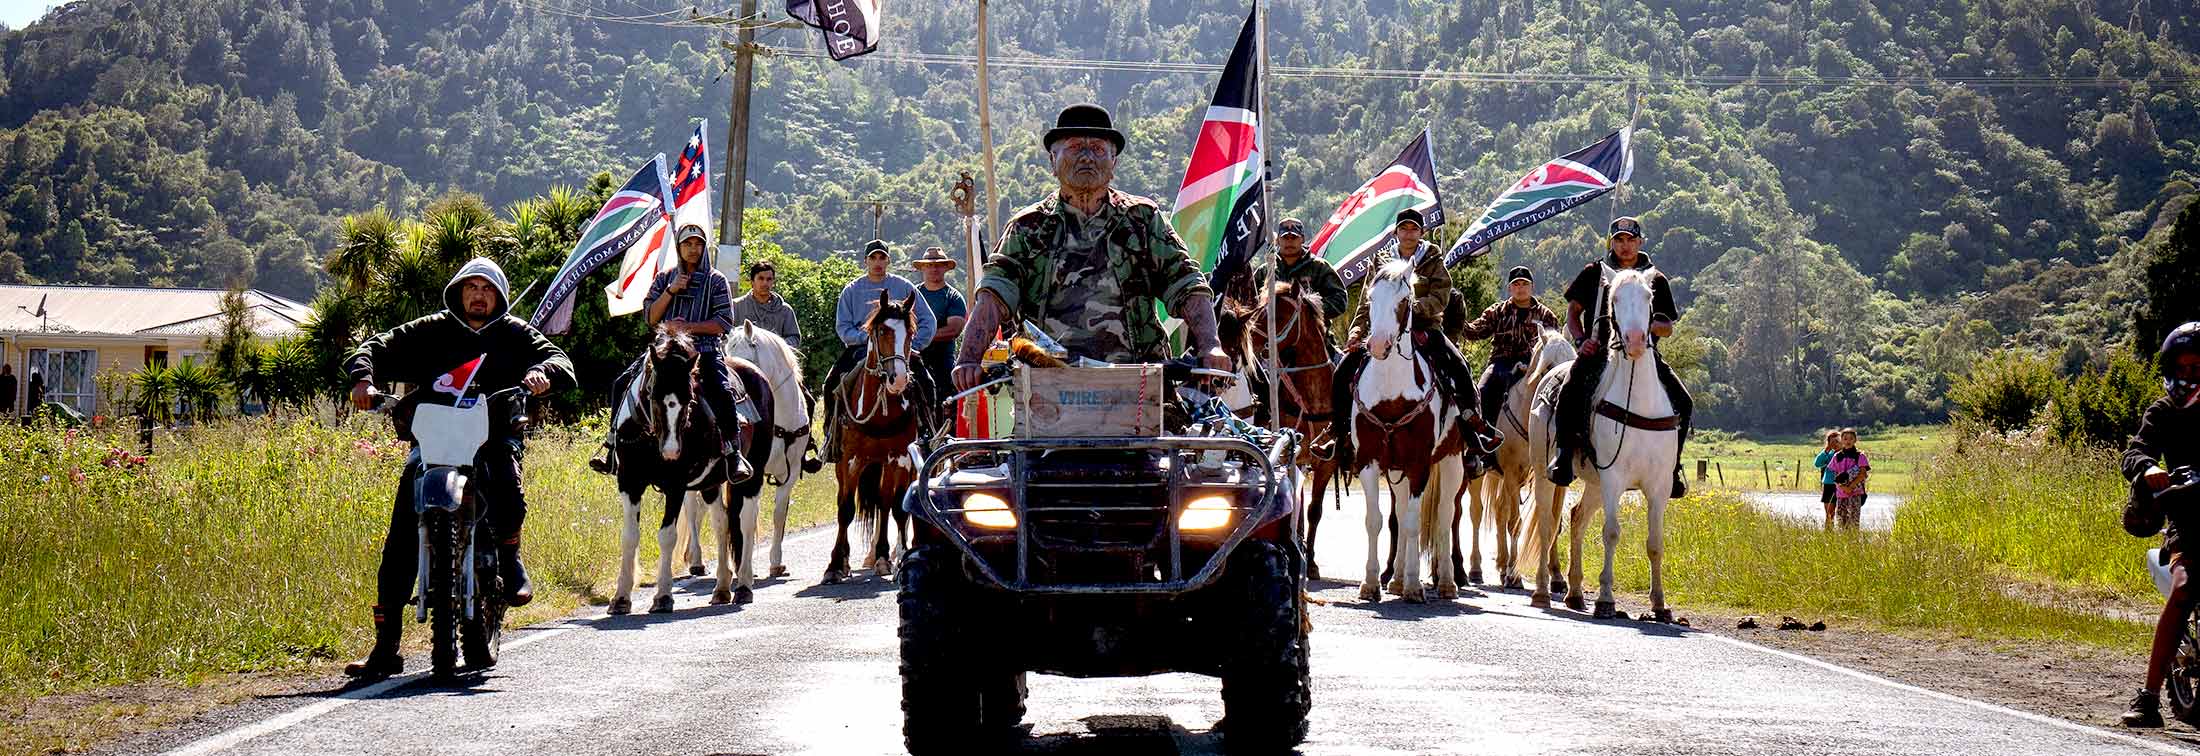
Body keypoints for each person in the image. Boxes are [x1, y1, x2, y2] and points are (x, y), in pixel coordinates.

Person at [341, 257, 575, 678]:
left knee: (506, 479)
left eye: (487, 288)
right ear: (458, 292)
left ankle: (509, 557)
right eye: (471, 287)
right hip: (434, 442)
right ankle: (386, 648)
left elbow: (559, 359)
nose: (478, 295)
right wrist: (363, 379)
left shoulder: (516, 333)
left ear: (499, 295)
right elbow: (372, 347)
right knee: (399, 539)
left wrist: (543, 372)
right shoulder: (430, 329)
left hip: (492, 437)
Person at [951, 102, 1230, 394]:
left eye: (1097, 149)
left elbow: (1185, 282)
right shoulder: (1028, 227)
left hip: (1139, 385)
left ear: (1114, 162)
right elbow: (994, 293)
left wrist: (1210, 345)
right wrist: (969, 358)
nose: (1086, 157)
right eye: (1074, 147)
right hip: (1048, 389)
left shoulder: (1142, 220)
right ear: (1052, 160)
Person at [1328, 207, 1494, 473]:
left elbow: (1442, 296)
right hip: (1383, 330)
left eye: (1413, 229)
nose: (1408, 233)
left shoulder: (1432, 260)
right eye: (1403, 229)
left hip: (1426, 328)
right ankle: (1337, 432)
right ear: (1396, 233)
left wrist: (1412, 308)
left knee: (1459, 366)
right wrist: (1357, 331)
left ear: (1421, 232)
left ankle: (1473, 429)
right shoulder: (1381, 261)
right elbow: (1366, 303)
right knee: (1344, 368)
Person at [590, 225, 758, 479]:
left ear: (704, 248)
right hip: (664, 354)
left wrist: (687, 327)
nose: (693, 249)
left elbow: (724, 321)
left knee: (722, 391)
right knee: (621, 384)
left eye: (698, 244)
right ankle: (611, 446)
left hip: (702, 352)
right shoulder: (664, 278)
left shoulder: (716, 280)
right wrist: (671, 291)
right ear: (679, 248)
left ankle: (733, 454)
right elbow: (651, 316)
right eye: (687, 244)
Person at [1547, 216, 1693, 498]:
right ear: (1611, 243)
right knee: (1569, 390)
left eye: (1630, 240)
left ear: (1640, 242)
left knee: (1684, 401)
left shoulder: (1655, 278)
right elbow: (1573, 311)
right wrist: (1580, 341)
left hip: (1643, 354)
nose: (1625, 246)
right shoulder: (1594, 272)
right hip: (1599, 350)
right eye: (1619, 240)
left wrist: (1644, 328)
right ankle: (1564, 455)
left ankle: (1672, 468)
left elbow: (1668, 326)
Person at [2120, 321, 2200, 728]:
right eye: (2184, 367)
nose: (2191, 375)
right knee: (2186, 586)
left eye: (2199, 367)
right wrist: (2149, 467)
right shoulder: (2164, 411)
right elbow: (2135, 451)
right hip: (2190, 519)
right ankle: (2150, 698)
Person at [818, 239, 937, 462]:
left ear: (888, 261)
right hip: (860, 350)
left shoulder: (904, 287)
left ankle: (928, 434)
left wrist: (912, 345)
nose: (877, 262)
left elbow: (928, 321)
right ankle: (831, 438)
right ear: (866, 261)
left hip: (899, 351)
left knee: (926, 382)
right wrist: (869, 339)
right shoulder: (851, 290)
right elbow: (843, 327)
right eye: (873, 258)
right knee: (831, 384)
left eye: (882, 257)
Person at [1457, 265, 1562, 426]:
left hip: (1534, 366)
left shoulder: (1546, 316)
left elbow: (1555, 348)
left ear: (1532, 287)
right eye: (1516, 284)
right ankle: (1480, 437)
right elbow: (1474, 332)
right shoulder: (1498, 311)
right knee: (1482, 392)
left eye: (1524, 284)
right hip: (1500, 364)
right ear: (1509, 288)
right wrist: (1457, 317)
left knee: (1557, 397)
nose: (1520, 288)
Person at [1255, 217, 1349, 326]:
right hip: (1272, 336)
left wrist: (1307, 310)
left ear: (1302, 239)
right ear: (1277, 241)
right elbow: (1248, 301)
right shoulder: (1266, 271)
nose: (1289, 241)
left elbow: (1340, 299)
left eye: (1294, 237)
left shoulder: (1319, 267)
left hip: (1313, 335)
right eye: (1285, 237)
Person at [912, 247, 968, 403]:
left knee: (949, 400)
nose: (934, 268)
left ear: (945, 268)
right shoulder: (912, 295)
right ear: (922, 267)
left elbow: (953, 330)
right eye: (929, 265)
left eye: (938, 265)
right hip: (914, 357)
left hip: (942, 361)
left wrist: (921, 337)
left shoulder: (953, 297)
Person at [732, 259, 802, 348]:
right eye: (761, 278)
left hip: (774, 360)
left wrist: (775, 345)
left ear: (773, 282)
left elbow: (794, 338)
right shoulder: (736, 306)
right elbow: (726, 336)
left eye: (769, 279)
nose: (765, 283)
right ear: (752, 281)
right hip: (742, 359)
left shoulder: (785, 310)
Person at [1825, 428, 1869, 530]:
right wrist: (1843, 487)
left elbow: (1863, 474)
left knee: (1854, 521)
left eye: (1850, 438)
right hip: (1841, 494)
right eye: (1845, 439)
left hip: (1856, 493)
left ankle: (1854, 543)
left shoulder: (1860, 456)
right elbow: (1833, 475)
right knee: (1841, 521)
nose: (1848, 441)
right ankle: (1843, 543)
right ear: (1841, 440)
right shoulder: (1837, 456)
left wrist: (1851, 486)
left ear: (1855, 440)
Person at [1813, 430, 1841, 530]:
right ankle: (1828, 533)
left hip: (1843, 486)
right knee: (1830, 514)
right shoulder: (1828, 454)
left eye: (1838, 441)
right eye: (1833, 442)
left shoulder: (1846, 454)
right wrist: (1827, 449)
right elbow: (1817, 463)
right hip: (1829, 484)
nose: (1836, 444)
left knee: (1844, 513)